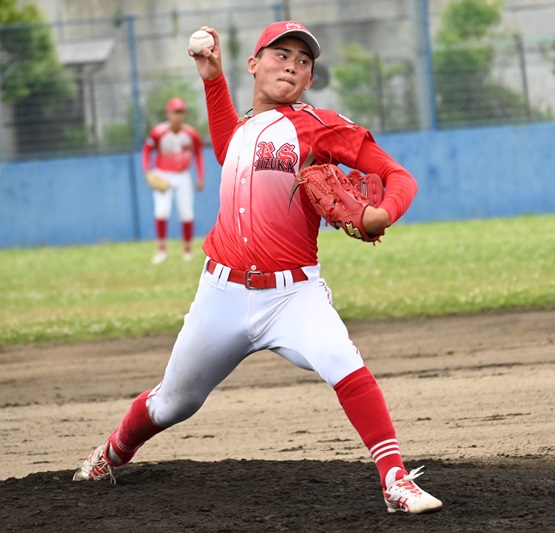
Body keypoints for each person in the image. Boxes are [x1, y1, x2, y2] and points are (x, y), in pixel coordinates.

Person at [73, 21, 443, 515]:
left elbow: (398, 176)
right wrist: (210, 76)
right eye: (279, 54)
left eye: (303, 60)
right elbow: (229, 147)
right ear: (254, 63)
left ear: (310, 79)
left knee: (343, 361)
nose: (291, 64)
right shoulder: (244, 130)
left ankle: (396, 480)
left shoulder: (318, 126)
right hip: (221, 294)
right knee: (173, 403)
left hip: (293, 296)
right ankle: (114, 453)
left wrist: (384, 211)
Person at [142, 97, 205, 264]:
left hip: (183, 175)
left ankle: (187, 250)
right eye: (176, 112)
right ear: (168, 113)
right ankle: (161, 250)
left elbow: (198, 154)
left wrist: (200, 176)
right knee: (162, 211)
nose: (179, 115)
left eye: (182, 111)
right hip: (163, 175)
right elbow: (147, 149)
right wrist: (147, 170)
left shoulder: (191, 133)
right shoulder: (158, 132)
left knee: (186, 213)